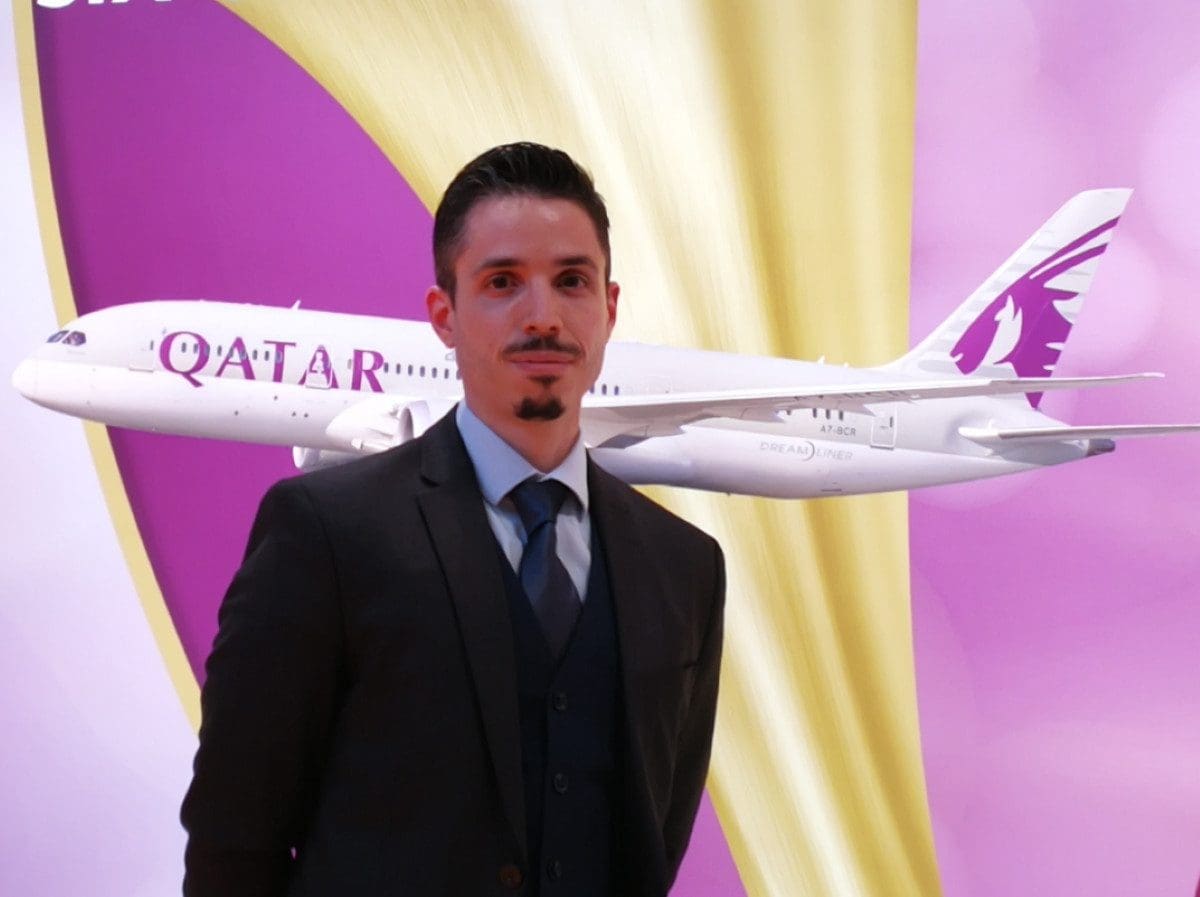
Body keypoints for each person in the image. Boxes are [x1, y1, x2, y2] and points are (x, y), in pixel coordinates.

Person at [181, 142, 726, 897]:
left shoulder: (684, 568)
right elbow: (234, 844)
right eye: (502, 282)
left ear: (608, 310)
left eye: (571, 281)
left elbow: (652, 846)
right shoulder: (325, 533)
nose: (544, 316)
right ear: (444, 315)